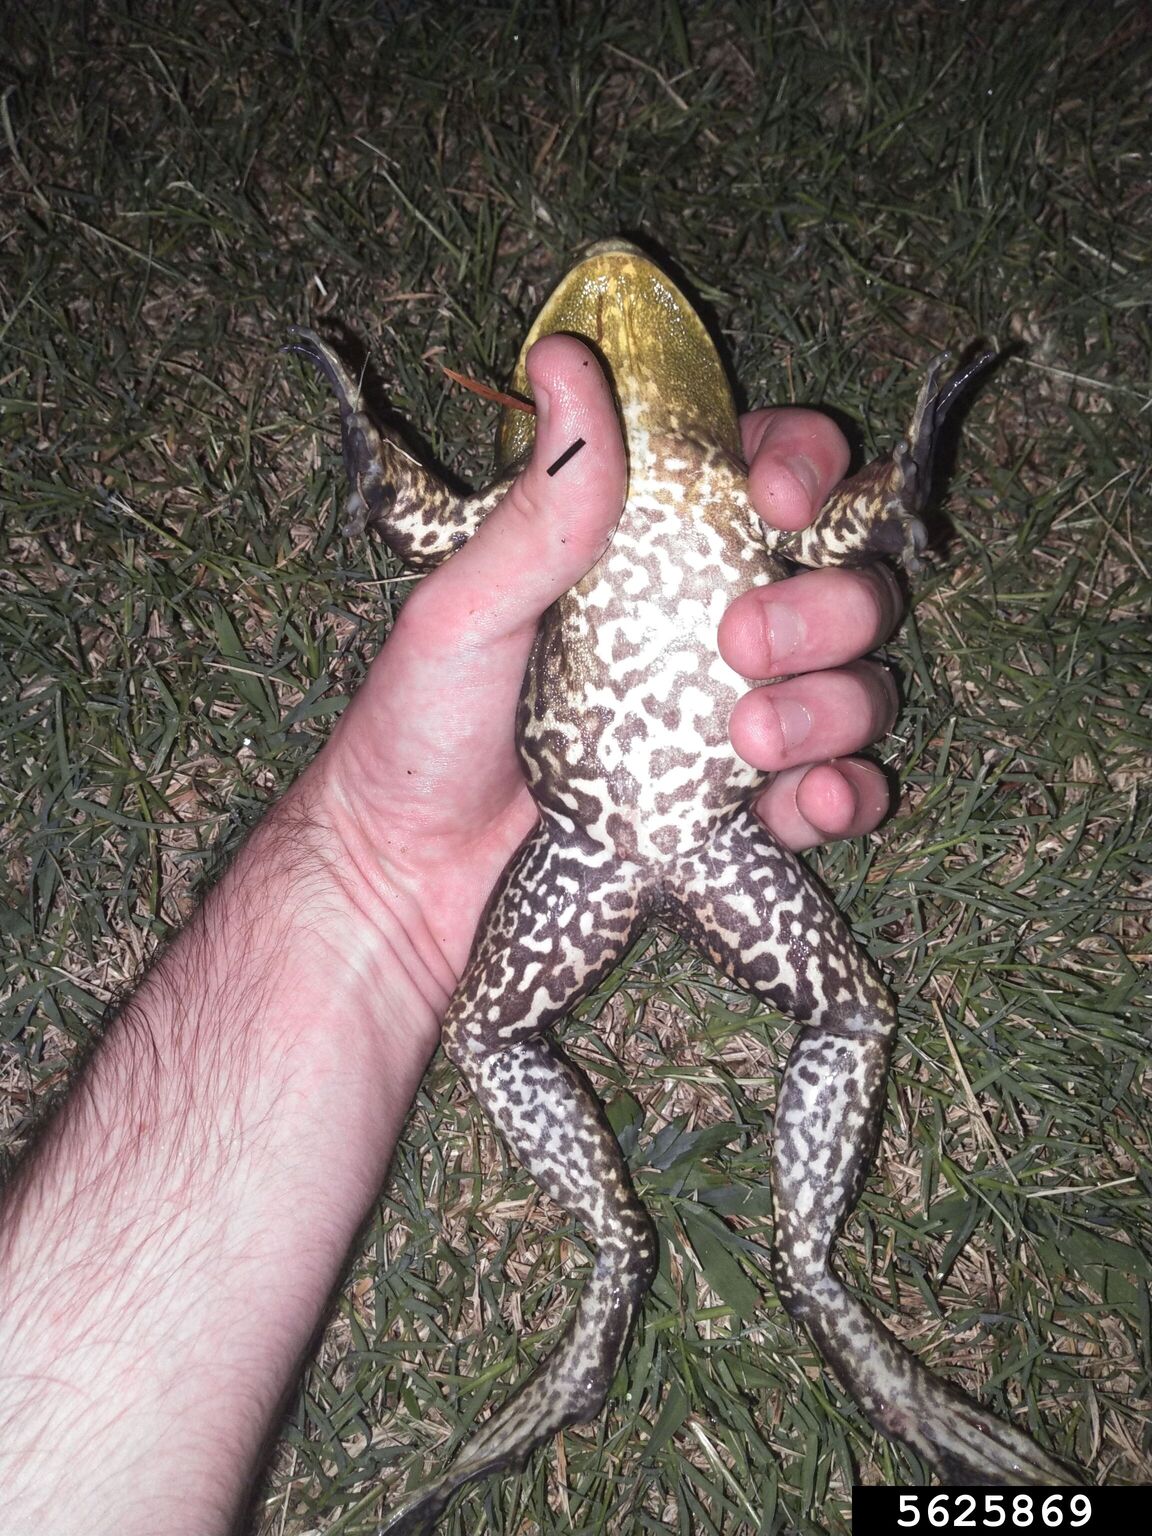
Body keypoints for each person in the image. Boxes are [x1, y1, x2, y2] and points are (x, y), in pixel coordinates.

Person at [0, 335, 903, 1533]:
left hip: (681, 829)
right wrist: (370, 441)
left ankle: (807, 1272)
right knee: (518, 1030)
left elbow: (843, 533)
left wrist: (903, 482)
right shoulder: (605, 503)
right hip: (584, 837)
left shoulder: (739, 502)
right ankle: (626, 1254)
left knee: (833, 1010)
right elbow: (430, 523)